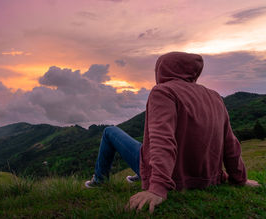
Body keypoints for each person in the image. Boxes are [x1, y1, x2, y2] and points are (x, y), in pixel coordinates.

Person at [85, 51, 260, 214]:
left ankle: (99, 181)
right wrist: (240, 179)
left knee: (110, 131)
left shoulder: (164, 91)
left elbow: (163, 140)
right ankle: (139, 174)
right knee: (143, 147)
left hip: (173, 177)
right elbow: (230, 143)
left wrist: (158, 188)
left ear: (163, 69)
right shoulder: (215, 96)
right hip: (205, 176)